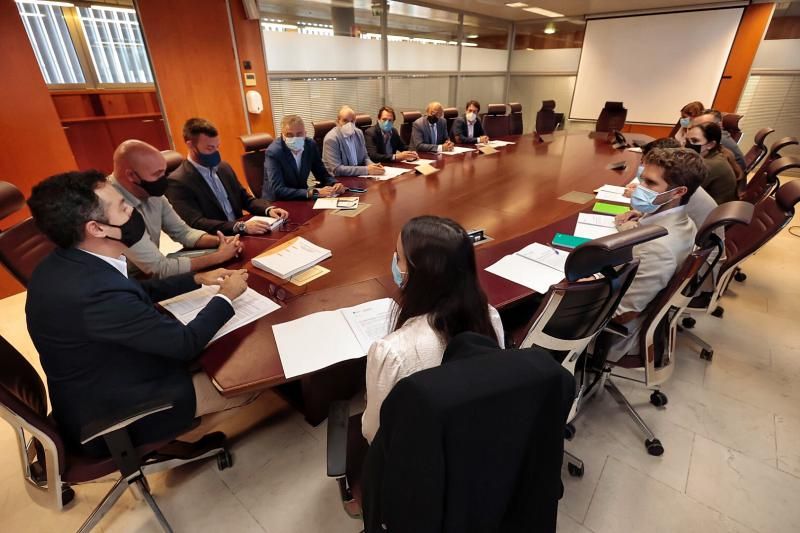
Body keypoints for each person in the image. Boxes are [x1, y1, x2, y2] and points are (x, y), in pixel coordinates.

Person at [25, 170, 256, 455]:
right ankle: (168, 438)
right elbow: (184, 344)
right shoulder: (94, 293)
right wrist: (226, 297)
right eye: (122, 207)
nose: (132, 209)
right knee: (248, 382)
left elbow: (133, 291)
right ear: (96, 228)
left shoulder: (68, 262)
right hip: (115, 412)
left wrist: (196, 279)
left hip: (98, 379)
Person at [361, 216, 505, 443]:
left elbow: (374, 433)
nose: (394, 263)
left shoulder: (391, 352)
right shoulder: (490, 317)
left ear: (418, 275)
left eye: (398, 258)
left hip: (418, 465)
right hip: (477, 444)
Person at [606, 147, 705, 361]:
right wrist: (636, 221)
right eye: (642, 179)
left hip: (613, 334)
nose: (639, 188)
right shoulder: (685, 223)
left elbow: (624, 314)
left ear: (679, 192)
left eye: (650, 183)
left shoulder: (659, 247)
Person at [109, 140, 243, 279]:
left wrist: (221, 241)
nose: (163, 180)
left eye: (164, 172)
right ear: (131, 176)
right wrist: (219, 256)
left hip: (147, 274)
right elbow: (158, 268)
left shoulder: (150, 192)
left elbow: (183, 232)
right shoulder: (112, 207)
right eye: (157, 174)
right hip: (124, 283)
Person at [166, 118, 288, 236]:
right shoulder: (178, 181)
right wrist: (241, 227)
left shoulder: (223, 167)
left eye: (217, 146)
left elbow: (245, 199)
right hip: (216, 240)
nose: (215, 152)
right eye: (210, 148)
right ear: (191, 145)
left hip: (241, 234)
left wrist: (268, 210)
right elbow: (196, 223)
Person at [263, 114, 345, 200]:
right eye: (289, 135)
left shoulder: (310, 145)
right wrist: (312, 192)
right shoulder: (274, 152)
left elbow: (321, 173)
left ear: (305, 134)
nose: (295, 138)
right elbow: (278, 189)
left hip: (301, 198)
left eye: (299, 134)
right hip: (277, 203)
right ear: (282, 136)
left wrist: (334, 184)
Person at [322, 105, 385, 177]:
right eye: (345, 121)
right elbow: (337, 169)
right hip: (338, 181)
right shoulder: (331, 139)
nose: (349, 124)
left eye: (352, 121)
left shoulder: (359, 133)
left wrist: (372, 166)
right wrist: (367, 170)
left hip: (357, 177)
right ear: (337, 122)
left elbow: (365, 157)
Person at [686, 122, 738, 204]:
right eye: (687, 140)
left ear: (710, 144)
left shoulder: (710, 165)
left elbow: (685, 191)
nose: (687, 145)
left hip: (713, 213)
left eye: (695, 140)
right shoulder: (715, 155)